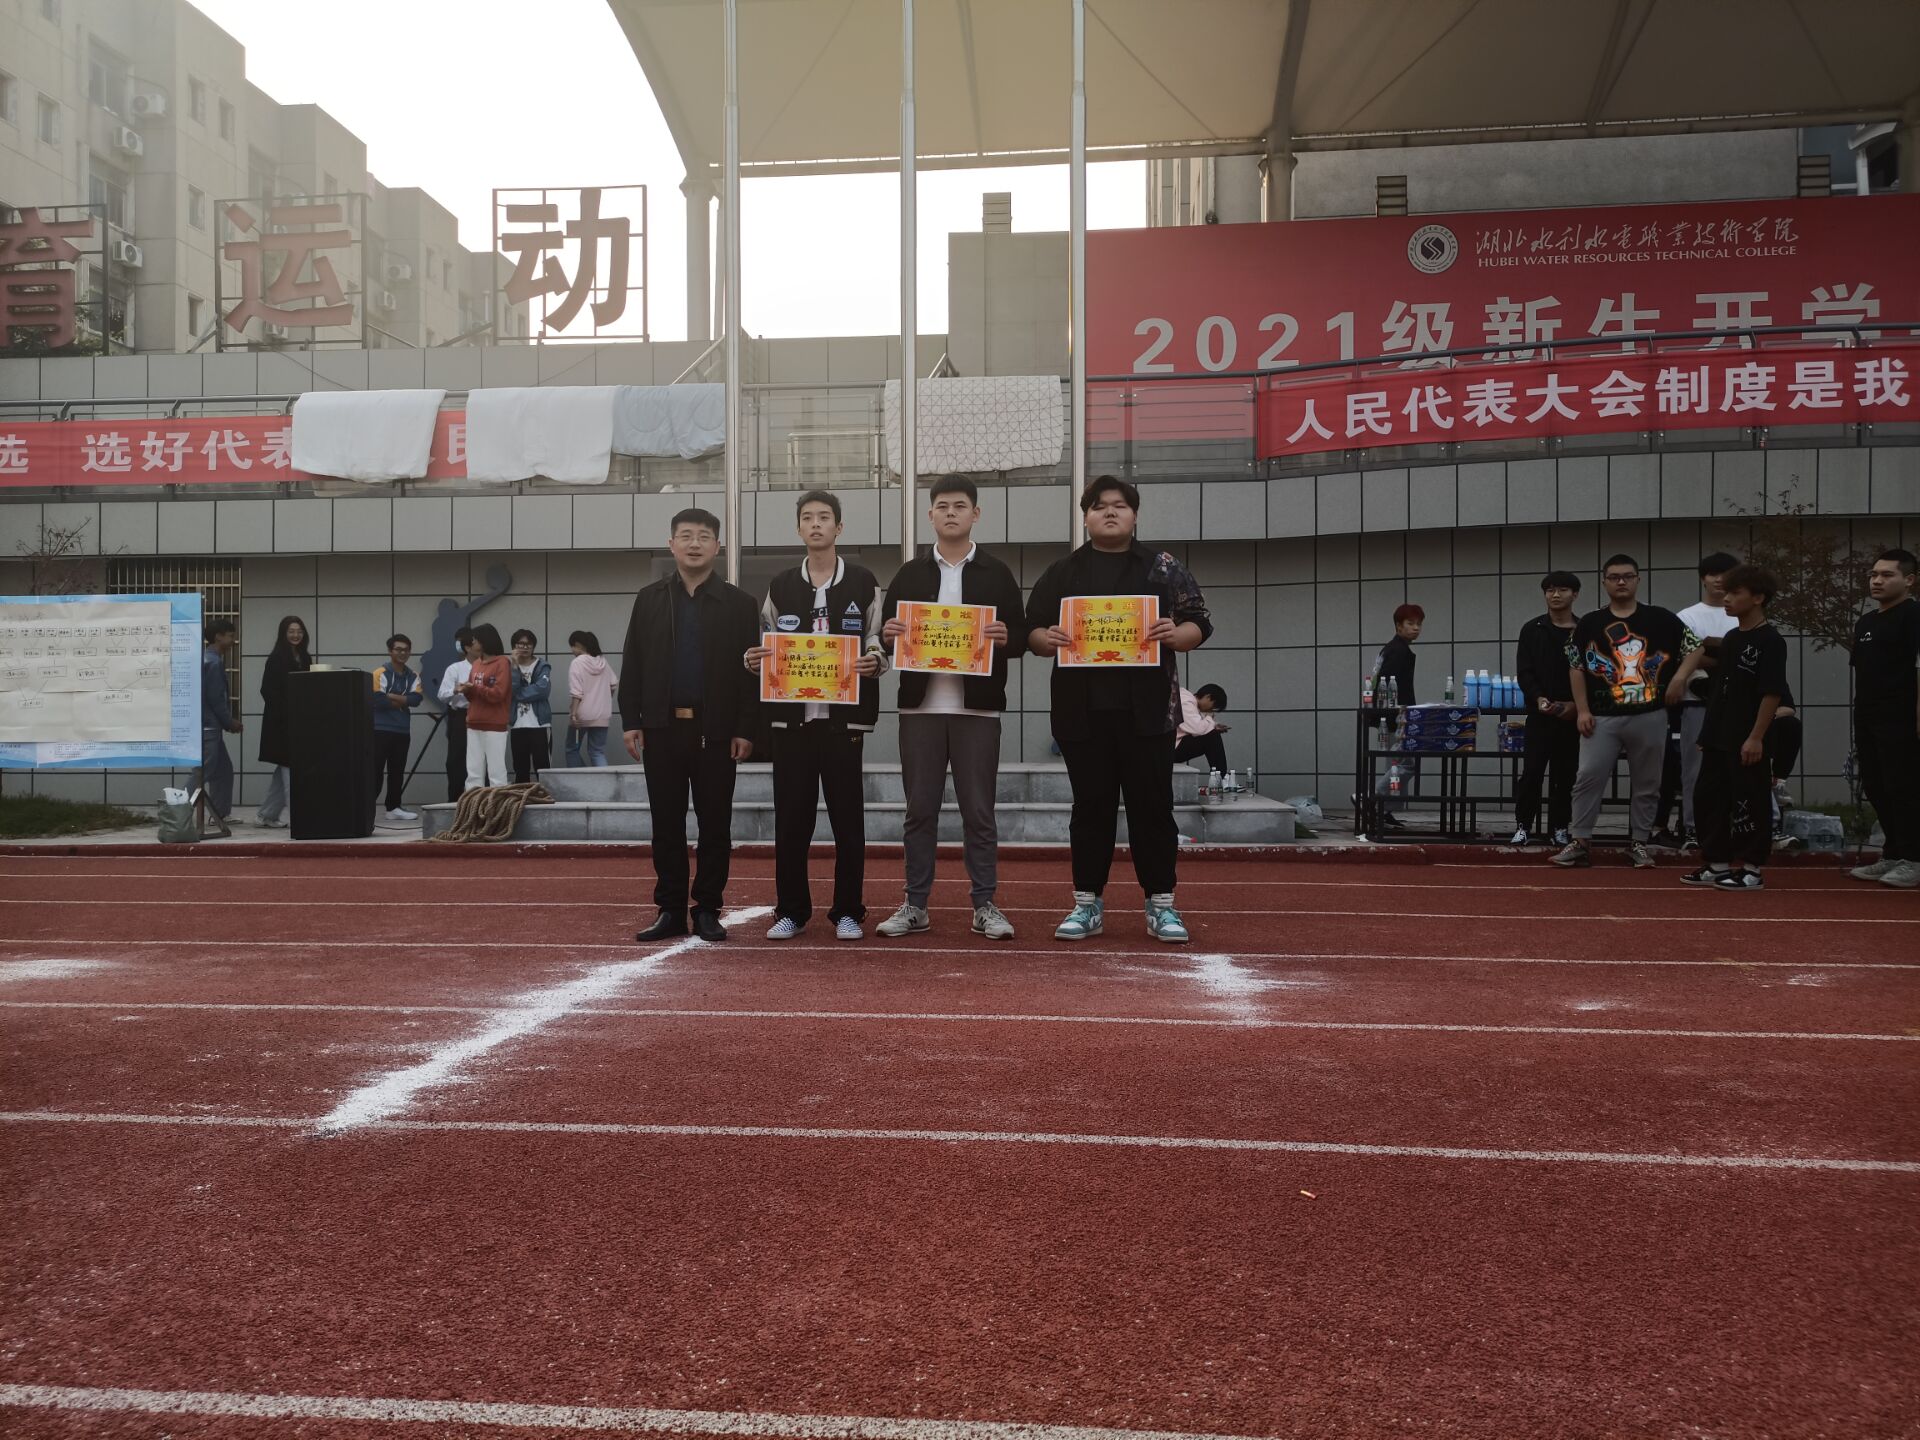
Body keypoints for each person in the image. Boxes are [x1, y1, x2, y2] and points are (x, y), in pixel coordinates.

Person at [1026, 475, 1212, 944]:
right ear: (1085, 516)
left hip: (1148, 712)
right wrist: (1046, 639)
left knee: (1153, 808)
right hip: (1081, 713)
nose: (1110, 512)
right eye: (1099, 506)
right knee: (1091, 808)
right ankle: (1087, 903)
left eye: (1120, 505)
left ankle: (1161, 904)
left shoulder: (1162, 567)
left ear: (1134, 515)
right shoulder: (1063, 571)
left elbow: (1199, 622)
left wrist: (1177, 635)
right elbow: (1033, 631)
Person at [874, 475, 1026, 941]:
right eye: (942, 506)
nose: (951, 513)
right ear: (931, 515)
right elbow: (886, 635)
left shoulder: (997, 573)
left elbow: (1022, 636)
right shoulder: (910, 573)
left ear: (975, 514)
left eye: (960, 506)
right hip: (920, 708)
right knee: (919, 810)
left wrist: (1007, 636)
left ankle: (985, 905)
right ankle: (915, 904)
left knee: (978, 811)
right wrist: (889, 635)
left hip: (978, 710)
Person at [744, 490, 886, 942]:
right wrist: (753, 660)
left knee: (848, 822)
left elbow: (878, 639)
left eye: (825, 517)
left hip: (844, 723)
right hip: (792, 722)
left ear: (839, 527)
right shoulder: (781, 584)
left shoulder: (863, 581)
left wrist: (876, 660)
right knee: (791, 822)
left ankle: (848, 911)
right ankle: (791, 910)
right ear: (799, 527)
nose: (816, 524)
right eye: (808, 517)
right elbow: (765, 640)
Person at [621, 509, 760, 943]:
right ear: (672, 545)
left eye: (703, 536)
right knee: (666, 824)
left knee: (715, 825)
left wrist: (745, 728)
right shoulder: (649, 599)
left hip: (716, 732)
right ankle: (670, 909)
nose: (694, 543)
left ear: (717, 546)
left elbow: (750, 675)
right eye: (685, 536)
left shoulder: (740, 604)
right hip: (662, 728)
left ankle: (708, 909)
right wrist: (631, 721)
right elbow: (633, 662)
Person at [1554, 554, 1697, 870]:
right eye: (1614, 577)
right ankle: (1580, 841)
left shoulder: (1660, 618)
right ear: (1604, 582)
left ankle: (1639, 842)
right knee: (1588, 776)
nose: (1621, 582)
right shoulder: (1590, 623)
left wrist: (1679, 678)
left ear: (1638, 580)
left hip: (1650, 713)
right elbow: (1576, 666)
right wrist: (1582, 710)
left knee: (1648, 782)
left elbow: (1695, 648)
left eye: (1628, 576)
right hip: (1601, 716)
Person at [1666, 565, 1787, 890]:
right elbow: (1721, 690)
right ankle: (1717, 863)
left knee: (1750, 800)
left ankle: (1751, 868)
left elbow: (1772, 693)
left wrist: (1756, 737)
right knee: (1709, 797)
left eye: (1735, 593)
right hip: (1718, 736)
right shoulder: (1732, 639)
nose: (1727, 599)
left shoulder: (1771, 640)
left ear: (1758, 598)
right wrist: (1708, 734)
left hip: (1748, 737)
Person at [1656, 551, 1741, 847]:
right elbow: (1685, 656)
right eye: (1712, 573)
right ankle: (1693, 827)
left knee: (1741, 767)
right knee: (1694, 769)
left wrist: (1712, 654)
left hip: (1739, 704)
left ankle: (1744, 827)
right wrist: (1723, 658)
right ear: (1703, 578)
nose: (1719, 579)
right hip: (1696, 700)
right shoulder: (1687, 616)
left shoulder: (1742, 613)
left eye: (1725, 573)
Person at [1849, 547, 1920, 889]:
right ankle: (1893, 853)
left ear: (1909, 580)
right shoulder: (1866, 622)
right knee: (1877, 785)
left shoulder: (1913, 616)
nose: (1877, 580)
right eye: (1874, 574)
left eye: (1887, 575)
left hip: (1901, 716)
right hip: (1867, 715)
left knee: (1903, 786)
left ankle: (1914, 859)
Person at [1512, 572, 1580, 846]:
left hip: (1573, 715)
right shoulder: (1532, 629)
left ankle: (1560, 827)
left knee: (1566, 775)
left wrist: (1576, 705)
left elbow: (1592, 672)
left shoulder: (1584, 630)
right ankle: (1523, 826)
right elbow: (1524, 671)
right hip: (1540, 714)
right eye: (1550, 590)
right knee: (1532, 772)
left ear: (1575, 594)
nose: (1555, 595)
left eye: (1562, 589)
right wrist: (1538, 698)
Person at [254, 614, 310, 828]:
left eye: (299, 631)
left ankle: (266, 815)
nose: (296, 635)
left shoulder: (305, 657)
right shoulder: (276, 658)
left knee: (284, 769)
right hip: (281, 723)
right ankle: (299, 818)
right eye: (291, 631)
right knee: (290, 768)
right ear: (283, 634)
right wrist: (287, 711)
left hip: (298, 721)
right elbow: (267, 690)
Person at [1372, 603, 1422, 827]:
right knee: (1405, 764)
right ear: (1398, 626)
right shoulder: (1398, 651)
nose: (1416, 628)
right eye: (1410, 623)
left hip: (1392, 717)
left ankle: (1385, 810)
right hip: (1396, 717)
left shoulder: (1392, 649)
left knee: (1394, 765)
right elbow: (1388, 687)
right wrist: (1397, 716)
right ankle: (1372, 798)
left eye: (1419, 624)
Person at [193, 618, 242, 839]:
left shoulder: (206, 659)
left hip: (208, 725)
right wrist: (229, 722)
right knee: (203, 771)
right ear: (218, 637)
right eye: (230, 636)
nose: (233, 640)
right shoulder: (213, 663)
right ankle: (177, 811)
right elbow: (216, 699)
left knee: (223, 770)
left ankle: (220, 813)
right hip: (209, 727)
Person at [370, 633, 423, 823]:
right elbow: (378, 700)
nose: (402, 653)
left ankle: (393, 808)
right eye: (398, 649)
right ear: (390, 651)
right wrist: (403, 701)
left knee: (397, 771)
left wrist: (392, 696)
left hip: (402, 730)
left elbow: (416, 700)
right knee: (375, 770)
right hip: (380, 729)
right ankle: (367, 807)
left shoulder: (413, 675)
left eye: (406, 650)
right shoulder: (380, 673)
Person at [458, 623, 513, 790]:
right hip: (473, 721)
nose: (473, 643)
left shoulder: (502, 662)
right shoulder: (476, 663)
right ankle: (473, 804)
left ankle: (498, 804)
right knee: (473, 771)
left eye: (475, 640)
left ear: (485, 640)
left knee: (496, 772)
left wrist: (474, 688)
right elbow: (473, 695)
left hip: (494, 723)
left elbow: (498, 694)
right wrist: (466, 690)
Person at [436, 627, 477, 801]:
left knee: (481, 760)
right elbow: (442, 695)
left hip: (482, 715)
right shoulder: (455, 668)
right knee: (456, 760)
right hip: (461, 716)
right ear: (467, 647)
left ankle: (479, 801)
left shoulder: (489, 667)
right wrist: (457, 690)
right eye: (476, 643)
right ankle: (455, 801)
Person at [508, 628, 553, 782]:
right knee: (520, 770)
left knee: (543, 768)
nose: (524, 647)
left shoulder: (542, 666)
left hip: (540, 725)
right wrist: (514, 667)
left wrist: (518, 694)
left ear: (533, 646)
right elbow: (510, 690)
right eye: (520, 644)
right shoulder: (509, 667)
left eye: (528, 644)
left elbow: (543, 690)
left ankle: (545, 795)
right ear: (514, 646)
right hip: (517, 725)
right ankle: (523, 796)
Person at [566, 631, 615, 768]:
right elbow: (613, 684)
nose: (572, 650)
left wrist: (573, 714)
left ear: (579, 645)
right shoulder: (603, 662)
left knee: (572, 749)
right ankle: (603, 780)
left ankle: (581, 779)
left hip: (582, 715)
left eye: (572, 646)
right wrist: (604, 699)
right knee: (597, 752)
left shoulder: (577, 662)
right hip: (602, 714)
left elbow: (576, 692)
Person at [1174, 684, 1231, 775]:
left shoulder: (1187, 701)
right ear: (1208, 697)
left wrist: (1213, 725)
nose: (1211, 710)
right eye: (1213, 706)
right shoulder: (1186, 702)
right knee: (1212, 736)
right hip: (1167, 749)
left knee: (1212, 733)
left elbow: (1194, 725)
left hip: (1169, 746)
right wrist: (1209, 718)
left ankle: (1219, 776)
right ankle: (1220, 777)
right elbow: (1197, 729)